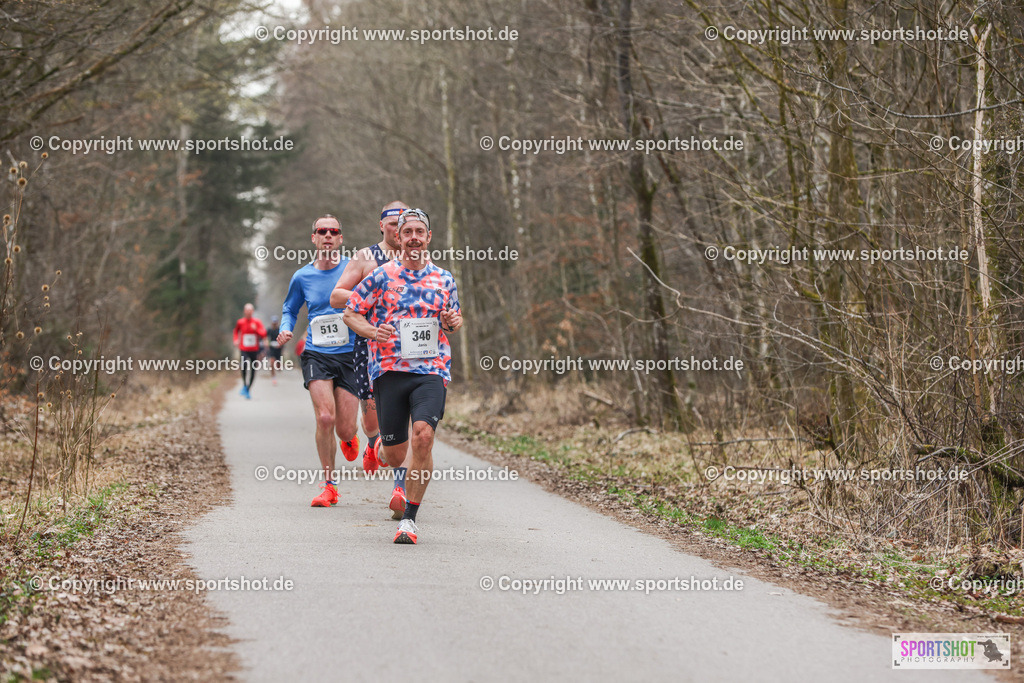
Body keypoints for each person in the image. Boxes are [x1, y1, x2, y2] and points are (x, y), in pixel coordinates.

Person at [344, 208, 463, 544]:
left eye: (419, 232)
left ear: (428, 238)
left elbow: (452, 320)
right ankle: (382, 451)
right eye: (406, 231)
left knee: (423, 437)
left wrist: (453, 322)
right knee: (396, 454)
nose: (413, 237)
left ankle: (409, 520)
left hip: (430, 370)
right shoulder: (382, 276)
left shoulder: (444, 279)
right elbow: (350, 312)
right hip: (389, 371)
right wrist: (371, 331)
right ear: (398, 237)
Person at [277, 215, 361, 507]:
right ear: (313, 238)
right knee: (325, 417)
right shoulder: (302, 276)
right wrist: (285, 327)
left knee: (345, 428)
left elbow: (374, 300)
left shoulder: (354, 270)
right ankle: (329, 485)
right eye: (321, 231)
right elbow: (290, 308)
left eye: (333, 231)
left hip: (350, 355)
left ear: (341, 238)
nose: (327, 235)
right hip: (317, 353)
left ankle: (350, 438)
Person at [330, 201, 406, 498]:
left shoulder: (418, 258)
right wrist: (373, 295)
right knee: (372, 417)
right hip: (369, 344)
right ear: (381, 225)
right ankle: (373, 442)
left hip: (407, 348)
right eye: (392, 223)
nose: (398, 229)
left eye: (404, 223)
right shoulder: (365, 257)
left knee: (402, 416)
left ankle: (400, 488)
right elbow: (337, 297)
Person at [233, 303, 266, 399]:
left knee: (253, 369)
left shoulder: (257, 322)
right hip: (244, 348)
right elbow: (235, 331)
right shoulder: (240, 322)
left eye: (250, 310)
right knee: (243, 366)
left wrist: (256, 330)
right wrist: (235, 340)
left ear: (252, 311)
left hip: (254, 349)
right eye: (247, 310)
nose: (248, 312)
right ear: (244, 311)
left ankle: (248, 389)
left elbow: (263, 334)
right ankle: (244, 384)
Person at [266, 316, 283, 385]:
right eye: (273, 322)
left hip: (278, 348)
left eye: (275, 323)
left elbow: (283, 338)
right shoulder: (269, 330)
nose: (274, 324)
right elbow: (266, 337)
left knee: (278, 364)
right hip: (272, 348)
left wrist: (280, 344)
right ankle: (273, 377)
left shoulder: (280, 330)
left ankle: (279, 366)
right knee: (272, 362)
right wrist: (267, 342)